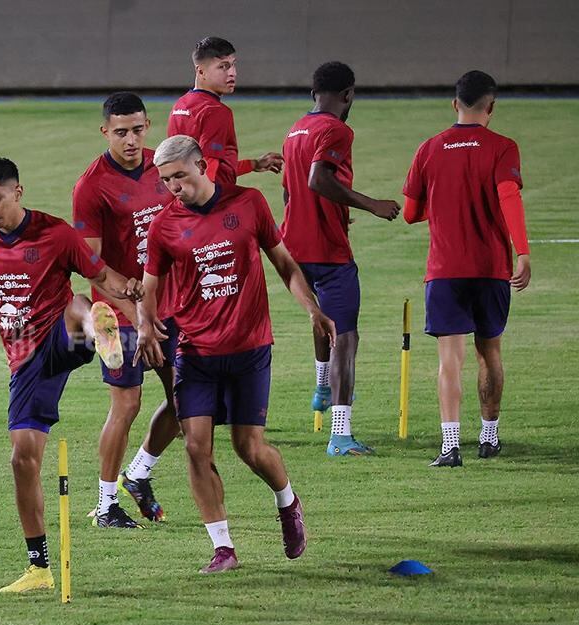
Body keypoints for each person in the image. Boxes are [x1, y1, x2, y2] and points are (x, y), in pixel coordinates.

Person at [0, 157, 143, 593]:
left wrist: (130, 296)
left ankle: (98, 330)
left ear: (17, 192)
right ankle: (39, 568)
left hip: (61, 336)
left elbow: (101, 275)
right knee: (22, 458)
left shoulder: (56, 233)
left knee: (78, 303)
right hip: (26, 363)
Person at [135, 136, 336, 573]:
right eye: (166, 180)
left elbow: (285, 264)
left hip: (250, 348)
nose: (174, 186)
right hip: (195, 351)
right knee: (196, 447)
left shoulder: (249, 203)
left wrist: (313, 310)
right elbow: (149, 287)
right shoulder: (164, 226)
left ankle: (288, 502)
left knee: (250, 448)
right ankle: (223, 548)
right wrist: (145, 324)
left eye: (180, 176)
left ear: (201, 166)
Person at [402, 70, 531, 468]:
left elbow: (409, 213)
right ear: (491, 107)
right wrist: (523, 252)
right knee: (489, 353)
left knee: (450, 361)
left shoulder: (429, 148)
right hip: (491, 269)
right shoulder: (503, 147)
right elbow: (508, 196)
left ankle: (450, 447)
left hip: (445, 271)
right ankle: (489, 439)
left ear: (455, 104)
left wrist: (444, 204)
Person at [280, 61, 401, 456]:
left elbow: (290, 191)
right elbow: (318, 179)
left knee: (320, 318)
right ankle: (340, 435)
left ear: (313, 93)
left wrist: (317, 217)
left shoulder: (295, 129)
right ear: (348, 94)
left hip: (293, 248)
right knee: (345, 336)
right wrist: (372, 204)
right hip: (328, 252)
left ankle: (321, 387)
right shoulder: (337, 130)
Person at [72, 92, 180, 527]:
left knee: (188, 399)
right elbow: (92, 267)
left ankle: (139, 473)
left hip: (170, 305)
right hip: (116, 315)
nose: (131, 140)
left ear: (148, 125)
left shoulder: (164, 167)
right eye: (121, 133)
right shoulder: (91, 186)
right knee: (127, 405)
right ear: (105, 132)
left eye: (137, 130)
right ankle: (105, 505)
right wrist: (137, 313)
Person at [167, 36, 283, 186]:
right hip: (208, 197)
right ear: (201, 71)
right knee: (253, 197)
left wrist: (253, 164)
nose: (232, 73)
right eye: (223, 67)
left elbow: (195, 168)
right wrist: (206, 199)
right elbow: (207, 170)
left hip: (181, 193)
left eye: (233, 65)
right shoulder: (216, 111)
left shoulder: (179, 106)